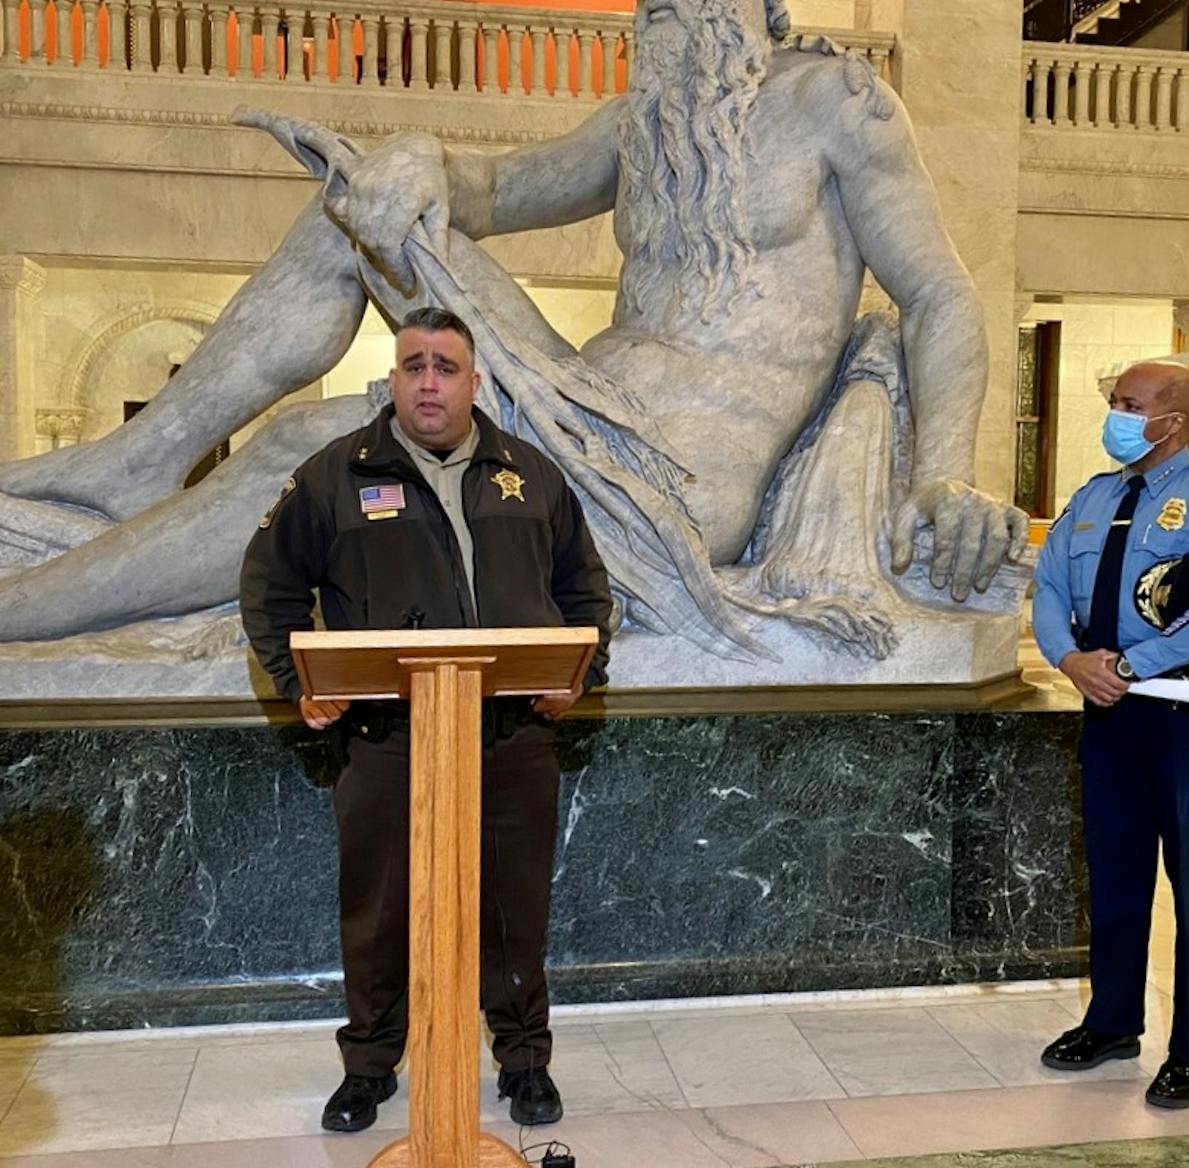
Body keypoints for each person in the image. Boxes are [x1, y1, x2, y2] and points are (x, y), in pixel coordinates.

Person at [0, 0, 1026, 651]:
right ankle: (144, 457)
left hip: (670, 477)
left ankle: (18, 613)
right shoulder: (637, 124)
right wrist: (412, 154)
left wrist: (940, 470)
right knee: (358, 202)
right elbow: (486, 189)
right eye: (651, 7)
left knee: (309, 452)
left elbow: (938, 294)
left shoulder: (838, 104)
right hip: (579, 396)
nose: (659, 19)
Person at [240, 307, 614, 1133]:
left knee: (514, 909)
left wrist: (581, 678)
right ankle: (370, 1066)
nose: (430, 381)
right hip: (387, 740)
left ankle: (524, 1063)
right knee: (378, 915)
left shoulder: (532, 477)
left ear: (476, 383)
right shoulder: (335, 476)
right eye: (415, 365)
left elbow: (585, 589)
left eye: (446, 366)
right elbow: (269, 584)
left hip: (511, 737)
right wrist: (296, 681)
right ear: (393, 381)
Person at [1031, 360, 1189, 1110]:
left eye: (1131, 405)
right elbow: (1045, 586)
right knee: (1115, 873)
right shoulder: (1094, 499)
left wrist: (1129, 663)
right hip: (1111, 718)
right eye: (1115, 403)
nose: (1117, 416)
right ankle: (1111, 1023)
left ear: (1176, 420)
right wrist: (1070, 659)